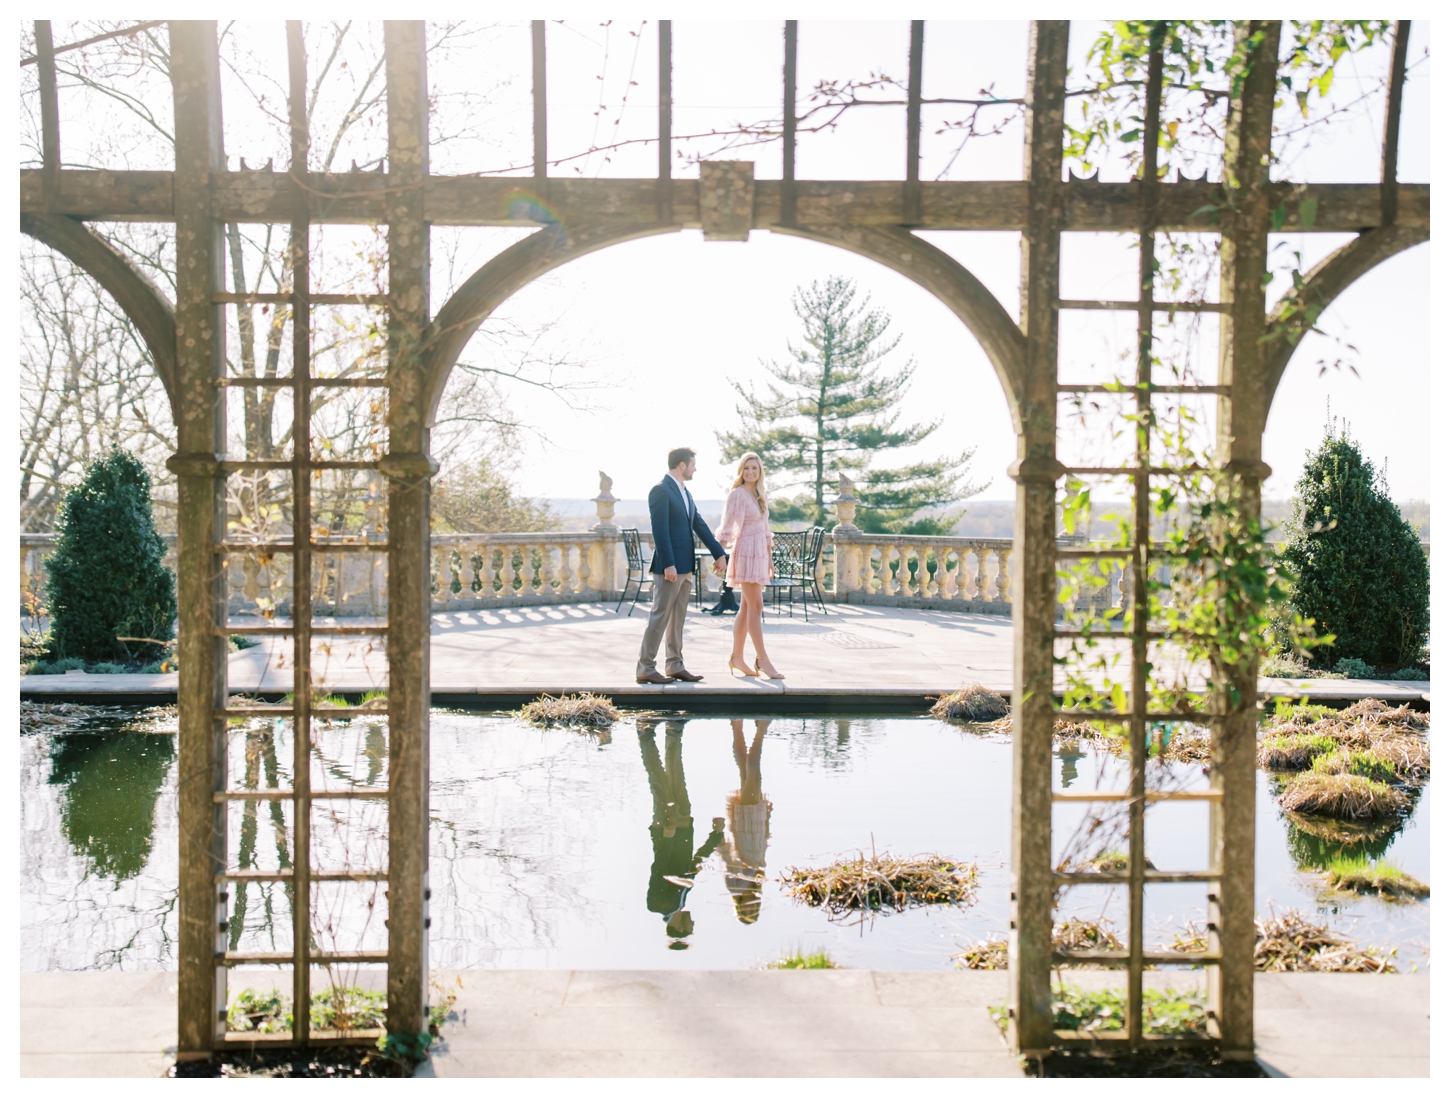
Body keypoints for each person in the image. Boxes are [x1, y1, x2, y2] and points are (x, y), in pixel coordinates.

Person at [636, 447, 727, 684]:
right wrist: (668, 564)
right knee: (660, 616)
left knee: (678, 619)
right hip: (671, 567)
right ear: (682, 465)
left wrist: (719, 553)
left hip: (686, 566)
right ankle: (645, 667)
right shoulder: (660, 490)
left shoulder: (686, 492)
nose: (695, 468)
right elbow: (660, 530)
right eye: (693, 463)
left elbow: (699, 525)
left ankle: (675, 665)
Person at [716, 452, 784, 678]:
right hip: (745, 552)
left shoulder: (760, 493)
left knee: (747, 608)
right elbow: (726, 525)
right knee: (756, 608)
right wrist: (719, 553)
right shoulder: (737, 494)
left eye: (754, 468)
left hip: (760, 556)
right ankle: (763, 660)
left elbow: (765, 531)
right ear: (741, 471)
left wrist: (770, 560)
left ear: (760, 471)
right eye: (747, 468)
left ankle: (737, 657)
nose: (751, 472)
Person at [720, 719, 772, 923]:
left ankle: (761, 729)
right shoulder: (754, 884)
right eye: (754, 910)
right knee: (746, 767)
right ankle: (738, 726)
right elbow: (763, 849)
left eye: (748, 910)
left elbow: (728, 859)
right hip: (754, 826)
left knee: (753, 769)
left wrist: (719, 839)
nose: (753, 905)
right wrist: (768, 819)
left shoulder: (737, 887)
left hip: (747, 827)